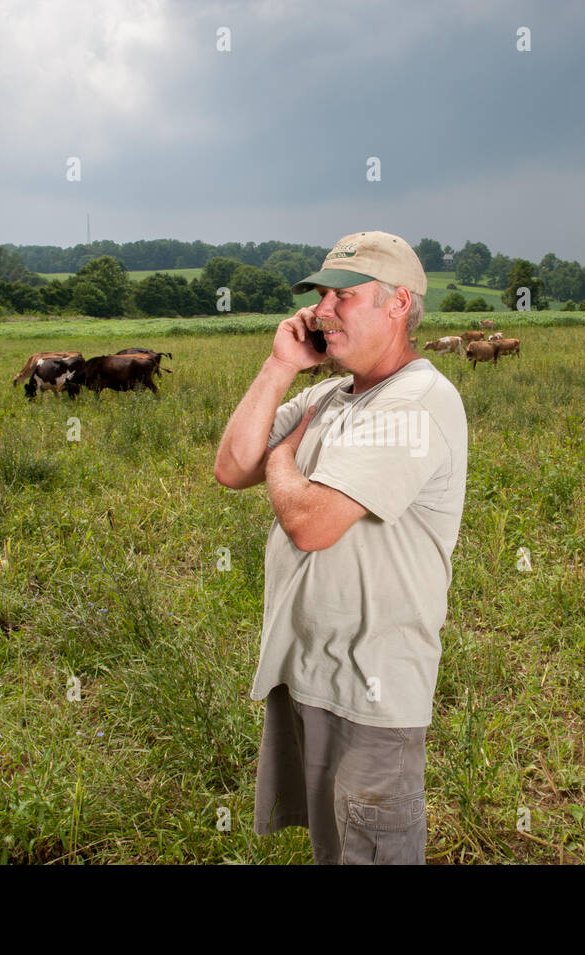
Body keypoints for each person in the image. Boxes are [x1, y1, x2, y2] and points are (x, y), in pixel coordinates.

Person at [213, 231, 468, 864]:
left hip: (373, 688)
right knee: (337, 848)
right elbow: (230, 465)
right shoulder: (329, 395)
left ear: (398, 303)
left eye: (343, 297)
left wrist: (282, 453)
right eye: (320, 296)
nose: (322, 312)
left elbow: (311, 522)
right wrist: (279, 366)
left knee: (373, 850)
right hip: (310, 672)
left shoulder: (418, 403)